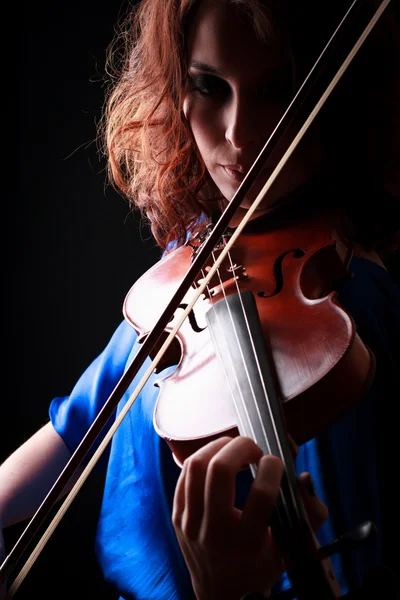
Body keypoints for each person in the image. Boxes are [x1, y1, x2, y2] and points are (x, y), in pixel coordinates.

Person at [1, 0, 399, 599]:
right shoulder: (200, 257)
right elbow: (79, 429)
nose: (239, 135)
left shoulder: (350, 315)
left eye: (277, 90)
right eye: (209, 86)